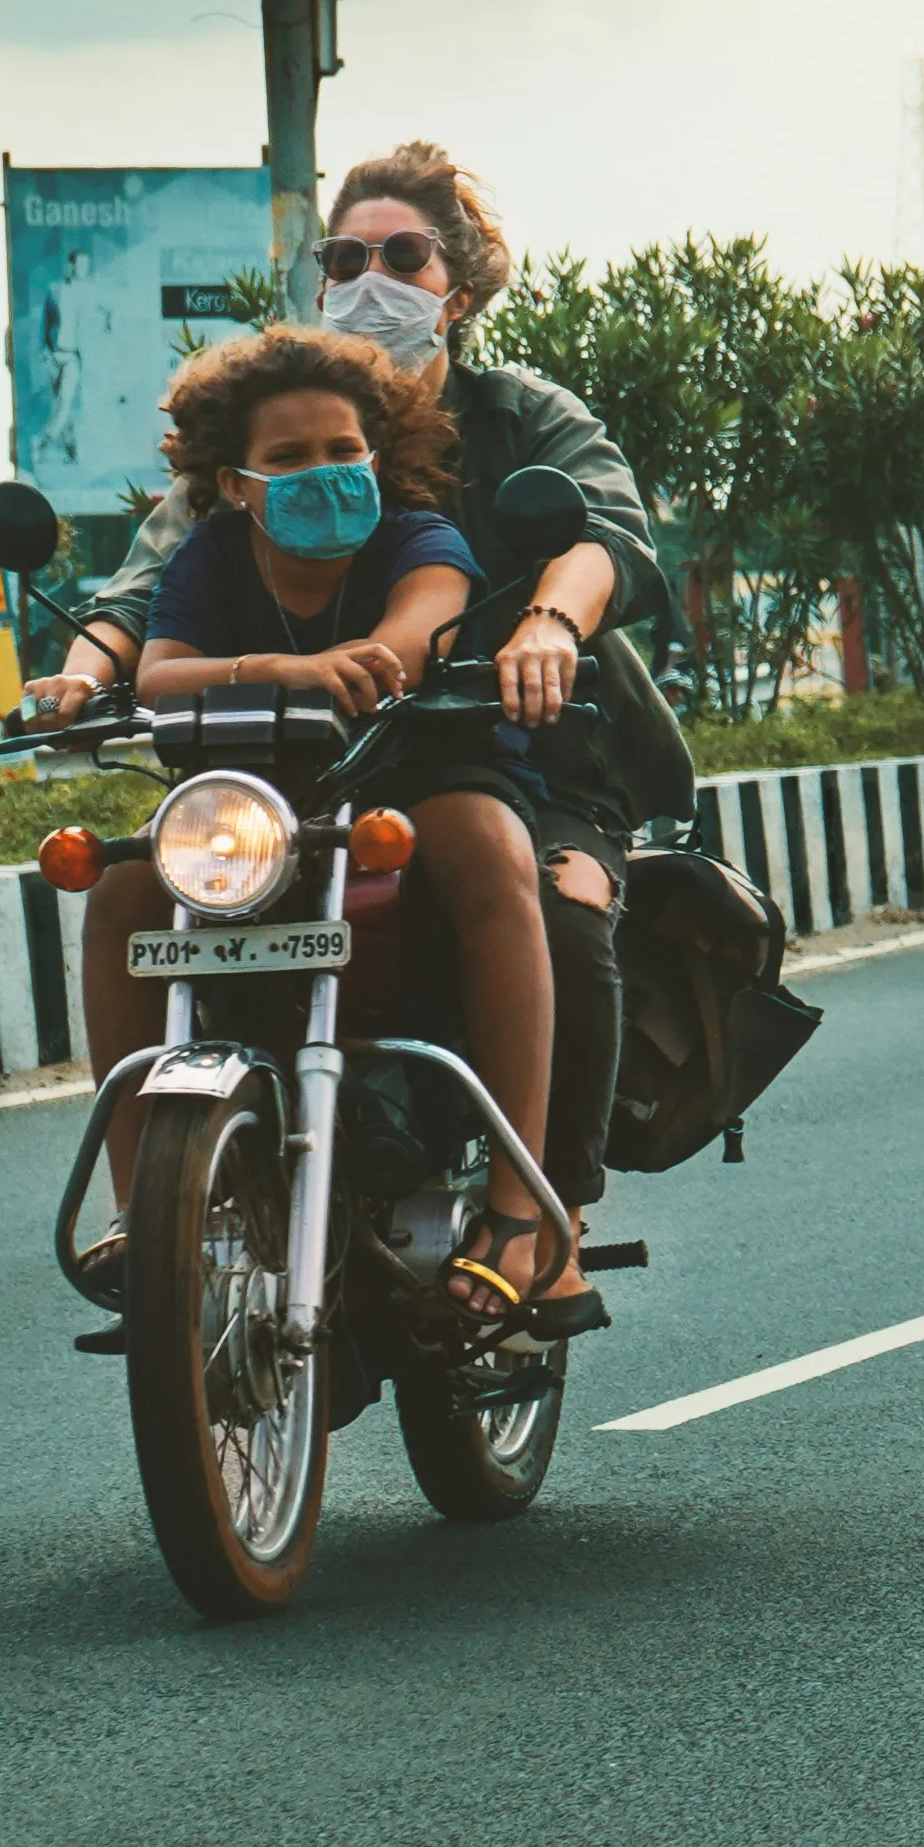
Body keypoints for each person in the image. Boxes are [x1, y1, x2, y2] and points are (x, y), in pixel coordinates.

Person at [37, 142, 689, 1329]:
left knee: (549, 899)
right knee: (127, 884)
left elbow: (606, 540)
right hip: (278, 769)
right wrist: (81, 678)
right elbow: (140, 602)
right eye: (345, 258)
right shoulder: (263, 437)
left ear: (464, 283)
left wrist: (545, 622)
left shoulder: (509, 427)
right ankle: (147, 1211)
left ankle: (540, 1212)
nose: (369, 278)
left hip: (520, 747)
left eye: (402, 255)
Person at [78, 324, 589, 1337]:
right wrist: (275, 670)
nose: (323, 472)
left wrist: (339, 665)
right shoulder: (215, 553)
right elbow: (156, 673)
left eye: (343, 451)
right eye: (288, 458)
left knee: (492, 852)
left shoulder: (419, 536)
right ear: (233, 483)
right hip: (262, 795)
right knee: (123, 886)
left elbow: (402, 646)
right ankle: (144, 1214)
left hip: (426, 768)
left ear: (378, 456)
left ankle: (518, 1214)